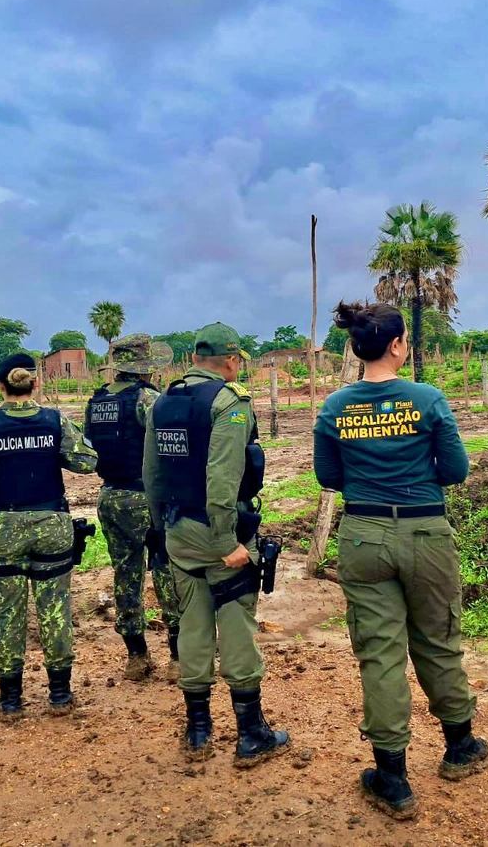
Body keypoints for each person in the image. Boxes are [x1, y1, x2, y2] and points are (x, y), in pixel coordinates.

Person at [313, 301, 488, 820]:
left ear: (355, 347)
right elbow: (455, 470)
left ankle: (392, 778)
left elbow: (329, 477)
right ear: (397, 345)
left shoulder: (335, 407)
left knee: (381, 654)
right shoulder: (428, 399)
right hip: (426, 532)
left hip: (363, 536)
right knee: (437, 640)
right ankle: (460, 747)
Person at [143, 322, 290, 767]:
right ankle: (250, 734)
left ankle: (197, 730)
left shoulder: (163, 402)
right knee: (236, 624)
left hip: (178, 531)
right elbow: (222, 480)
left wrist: (160, 529)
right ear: (230, 361)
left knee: (192, 624)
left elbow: (151, 475)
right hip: (218, 533)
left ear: (192, 359)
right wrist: (228, 543)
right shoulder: (230, 402)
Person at [0, 352, 97, 719]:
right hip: (51, 525)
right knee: (55, 609)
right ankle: (60, 695)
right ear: (36, 383)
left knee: (6, 613)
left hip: (3, 529)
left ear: (0, 386)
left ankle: (11, 699)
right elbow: (87, 462)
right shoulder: (54, 421)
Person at [83, 333, 182, 682]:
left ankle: (136, 656)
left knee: (126, 574)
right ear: (147, 369)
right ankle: (177, 656)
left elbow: (91, 447)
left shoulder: (97, 402)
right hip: (146, 498)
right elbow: (169, 445)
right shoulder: (148, 400)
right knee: (166, 570)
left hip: (110, 496)